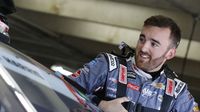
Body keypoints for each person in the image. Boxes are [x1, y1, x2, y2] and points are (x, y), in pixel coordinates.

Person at [67, 15, 199, 112]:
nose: (143, 48)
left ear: (170, 53)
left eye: (154, 44)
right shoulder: (108, 65)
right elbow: (62, 87)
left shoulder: (178, 92)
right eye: (142, 39)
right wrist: (100, 104)